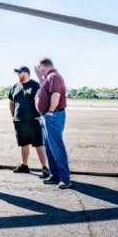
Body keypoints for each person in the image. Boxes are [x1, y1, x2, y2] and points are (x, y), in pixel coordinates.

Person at [35, 57, 71, 189]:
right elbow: (45, 92)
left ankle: (65, 178)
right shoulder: (48, 78)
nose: (38, 70)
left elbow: (56, 95)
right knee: (49, 147)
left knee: (56, 147)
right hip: (47, 116)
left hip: (53, 115)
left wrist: (50, 111)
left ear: (43, 66)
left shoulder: (54, 76)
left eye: (39, 67)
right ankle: (55, 175)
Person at [9, 65, 49, 176]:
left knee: (39, 144)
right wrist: (14, 116)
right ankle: (24, 165)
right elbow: (11, 102)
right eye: (17, 72)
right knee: (24, 143)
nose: (18, 74)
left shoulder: (35, 85)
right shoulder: (14, 86)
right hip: (19, 121)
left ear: (26, 73)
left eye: (20, 72)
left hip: (34, 121)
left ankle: (45, 168)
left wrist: (41, 115)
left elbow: (44, 99)